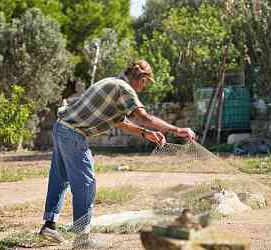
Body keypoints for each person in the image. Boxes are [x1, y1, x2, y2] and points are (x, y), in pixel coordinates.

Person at [39, 59, 196, 248]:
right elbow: (145, 117)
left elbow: (119, 122)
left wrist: (145, 133)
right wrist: (177, 130)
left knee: (60, 177)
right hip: (73, 134)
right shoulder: (124, 88)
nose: (143, 88)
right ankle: (82, 240)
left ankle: (49, 225)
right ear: (140, 77)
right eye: (145, 82)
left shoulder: (112, 83)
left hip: (61, 127)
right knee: (86, 183)